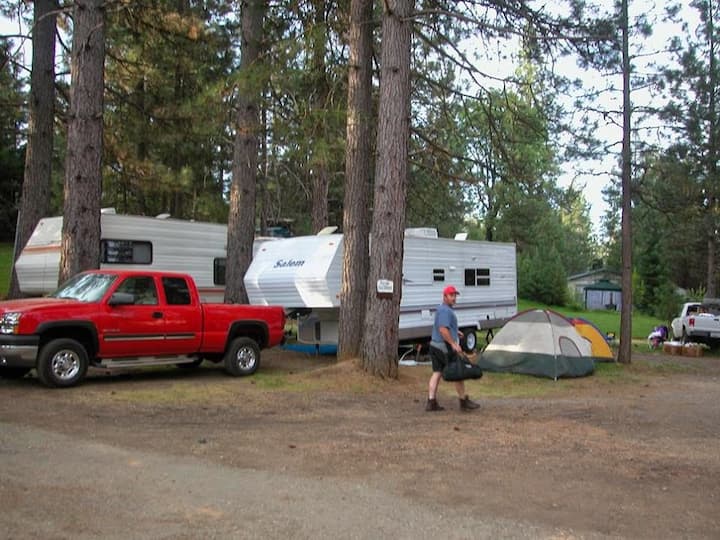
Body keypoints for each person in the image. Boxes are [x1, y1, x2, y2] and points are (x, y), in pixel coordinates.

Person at [426, 285, 480, 412]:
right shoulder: (445, 311)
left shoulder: (442, 309)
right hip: (443, 347)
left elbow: (444, 327)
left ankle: (431, 402)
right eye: (451, 295)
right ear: (444, 296)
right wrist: (453, 344)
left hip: (435, 345)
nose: (454, 298)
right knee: (458, 372)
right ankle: (463, 401)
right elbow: (442, 329)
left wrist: (456, 332)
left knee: (437, 373)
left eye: (455, 295)